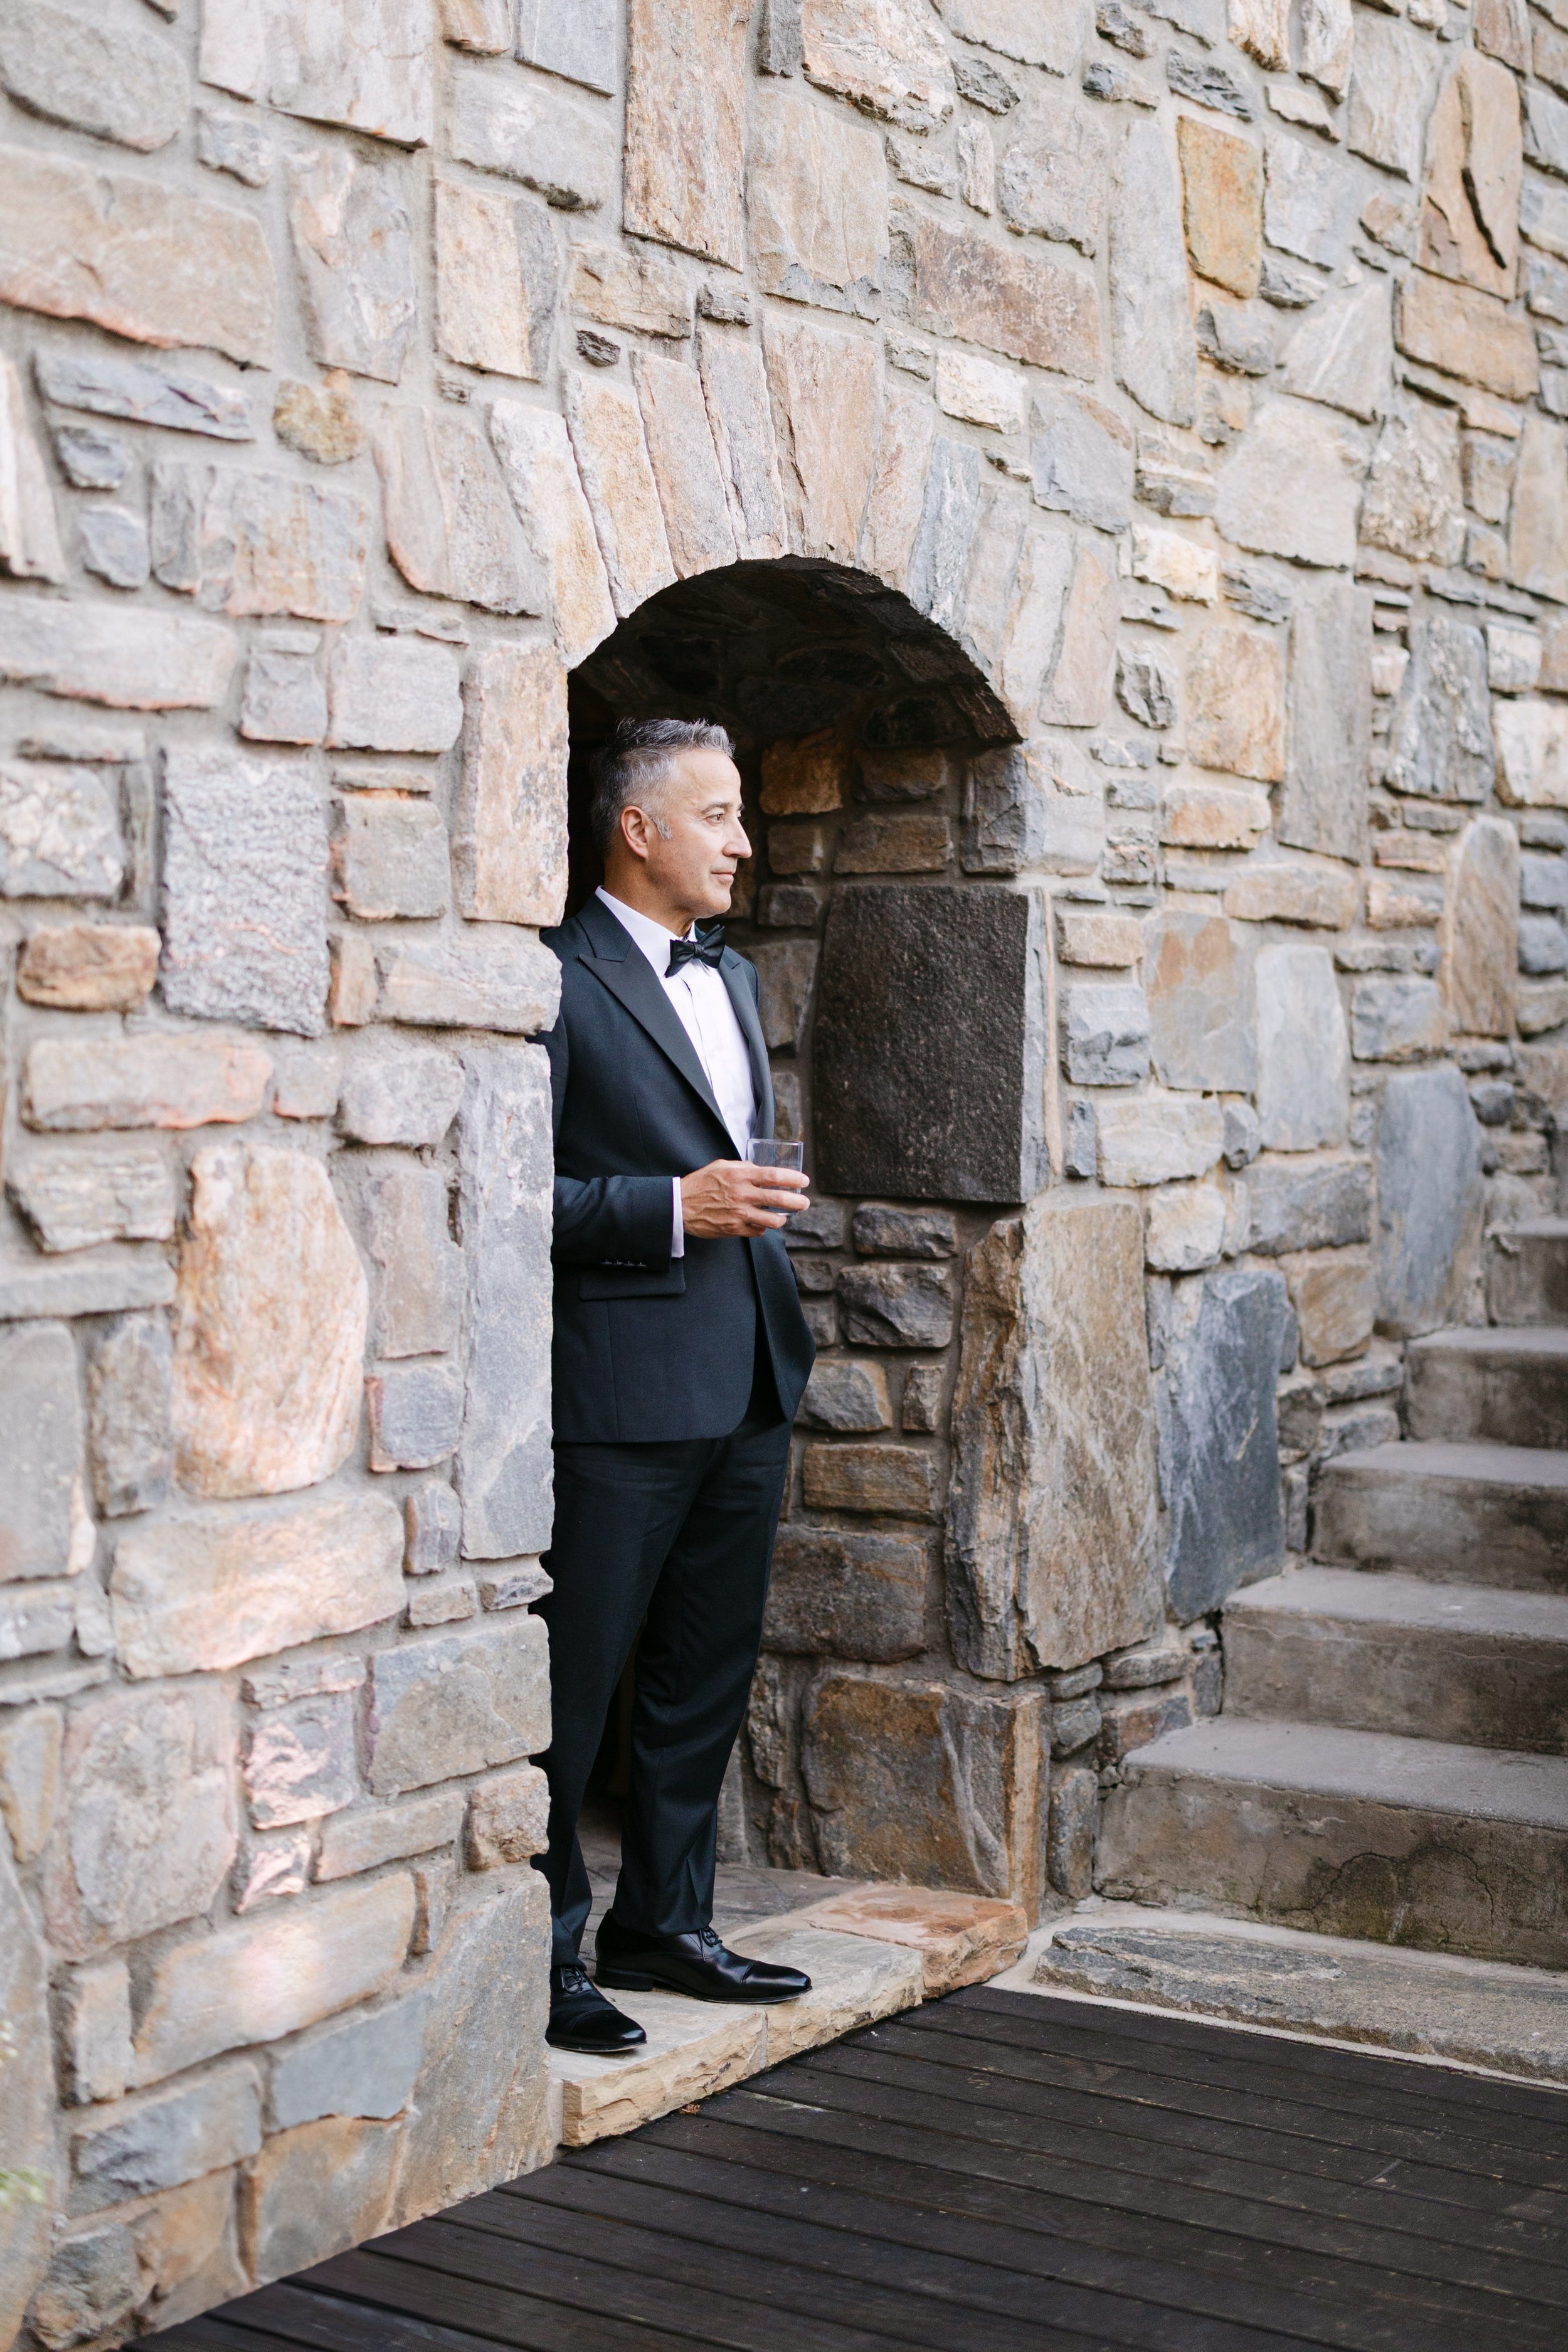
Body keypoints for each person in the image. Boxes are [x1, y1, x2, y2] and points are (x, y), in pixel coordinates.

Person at [535, 717, 818, 2057]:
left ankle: (667, 1922)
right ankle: (549, 1960)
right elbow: (501, 1195)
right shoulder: (547, 975)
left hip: (748, 1372)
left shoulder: (738, 978)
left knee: (701, 1677)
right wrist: (668, 1206)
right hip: (616, 1392)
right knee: (574, 1687)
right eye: (717, 815)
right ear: (635, 829)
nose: (742, 842)